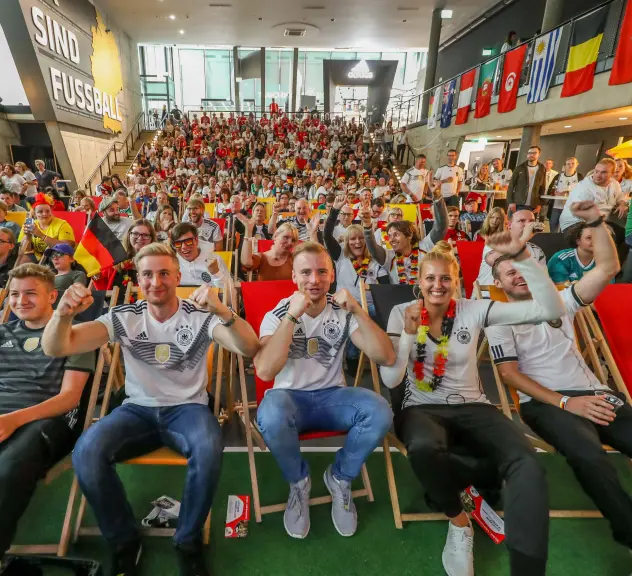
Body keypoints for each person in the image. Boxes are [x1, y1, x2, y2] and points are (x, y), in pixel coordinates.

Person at [42, 243, 260, 576]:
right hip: (137, 411)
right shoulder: (124, 317)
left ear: (177, 276)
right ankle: (124, 541)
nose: (155, 281)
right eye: (147, 274)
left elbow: (250, 347)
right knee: (86, 451)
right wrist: (62, 314)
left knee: (209, 447)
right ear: (137, 279)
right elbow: (58, 346)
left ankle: (187, 542)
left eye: (163, 273)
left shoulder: (199, 316)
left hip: (187, 409)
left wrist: (223, 310)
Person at [380, 231, 567, 576]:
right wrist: (408, 334)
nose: (438, 286)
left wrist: (523, 256)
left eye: (445, 279)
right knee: (422, 449)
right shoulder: (401, 312)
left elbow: (550, 308)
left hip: (474, 405)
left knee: (524, 458)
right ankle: (459, 521)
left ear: (456, 282)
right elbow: (391, 380)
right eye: (431, 278)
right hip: (421, 407)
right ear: (418, 281)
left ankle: (454, 490)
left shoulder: (475, 309)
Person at [487, 200, 632, 553]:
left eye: (522, 267)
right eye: (509, 273)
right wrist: (568, 402)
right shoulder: (499, 318)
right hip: (546, 402)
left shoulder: (562, 300)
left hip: (592, 391)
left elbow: (608, 266)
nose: (518, 275)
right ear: (500, 284)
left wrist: (597, 221)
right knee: (589, 455)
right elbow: (508, 375)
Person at [254, 242, 395, 539]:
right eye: (306, 272)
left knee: (380, 409)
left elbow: (386, 357)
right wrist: (292, 317)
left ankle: (340, 478)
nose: (314, 280)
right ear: (294, 276)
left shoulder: (342, 312)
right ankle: (299, 482)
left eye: (321, 272)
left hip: (333, 397)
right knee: (270, 414)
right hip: (289, 399)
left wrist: (357, 308)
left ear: (332, 275)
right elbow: (265, 371)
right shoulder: (278, 312)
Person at [0, 263, 94, 562]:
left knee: (7, 469)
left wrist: (13, 419)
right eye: (14, 294)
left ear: (52, 296)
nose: (20, 301)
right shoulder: (2, 332)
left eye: (30, 293)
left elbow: (69, 398)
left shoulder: (74, 336)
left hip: (46, 421)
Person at [363, 183, 447, 284]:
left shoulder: (425, 246)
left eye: (396, 235)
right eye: (389, 235)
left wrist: (437, 198)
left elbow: (440, 227)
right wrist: (367, 226)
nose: (391, 239)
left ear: (409, 235)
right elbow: (373, 249)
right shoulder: (389, 257)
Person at [477, 209, 546, 285]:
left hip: (522, 295)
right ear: (509, 225)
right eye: (521, 221)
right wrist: (524, 237)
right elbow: (493, 260)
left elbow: (542, 280)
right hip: (489, 294)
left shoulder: (536, 251)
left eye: (531, 221)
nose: (528, 225)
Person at [94, 219, 156, 300]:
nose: (140, 238)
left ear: (151, 238)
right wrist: (96, 276)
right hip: (115, 307)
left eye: (145, 235)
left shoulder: (157, 260)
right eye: (136, 234)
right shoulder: (117, 257)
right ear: (129, 235)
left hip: (144, 307)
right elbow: (104, 289)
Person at [559, 158, 627, 232]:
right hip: (575, 223)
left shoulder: (614, 184)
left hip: (600, 221)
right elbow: (580, 214)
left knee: (624, 234)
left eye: (603, 172)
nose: (598, 175)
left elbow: (620, 197)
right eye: (596, 171)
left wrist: (622, 204)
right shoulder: (584, 188)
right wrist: (603, 227)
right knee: (607, 237)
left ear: (612, 174)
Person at [171, 223, 230, 288]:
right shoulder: (172, 264)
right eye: (178, 243)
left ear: (196, 240)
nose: (183, 247)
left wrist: (216, 273)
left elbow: (228, 291)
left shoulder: (214, 260)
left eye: (188, 241)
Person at [18, 193, 75, 261]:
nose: (45, 214)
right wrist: (28, 236)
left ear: (51, 211)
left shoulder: (62, 224)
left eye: (47, 211)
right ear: (35, 214)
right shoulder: (30, 224)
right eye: (40, 212)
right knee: (23, 259)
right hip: (36, 259)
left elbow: (68, 247)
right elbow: (26, 250)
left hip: (56, 257)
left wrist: (41, 235)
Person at [547, 157, 583, 233]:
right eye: (568, 164)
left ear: (577, 164)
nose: (570, 165)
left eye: (573, 163)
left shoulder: (579, 177)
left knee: (565, 229)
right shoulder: (558, 176)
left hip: (570, 208)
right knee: (553, 226)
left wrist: (568, 192)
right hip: (556, 206)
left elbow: (583, 192)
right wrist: (554, 193)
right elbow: (550, 189)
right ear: (565, 165)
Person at [507, 146, 546, 215]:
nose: (531, 155)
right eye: (529, 153)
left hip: (533, 204)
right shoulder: (520, 168)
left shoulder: (542, 168)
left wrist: (540, 204)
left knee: (530, 225)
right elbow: (511, 185)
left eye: (534, 153)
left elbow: (542, 187)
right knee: (518, 224)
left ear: (539, 154)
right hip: (519, 203)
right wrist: (511, 202)